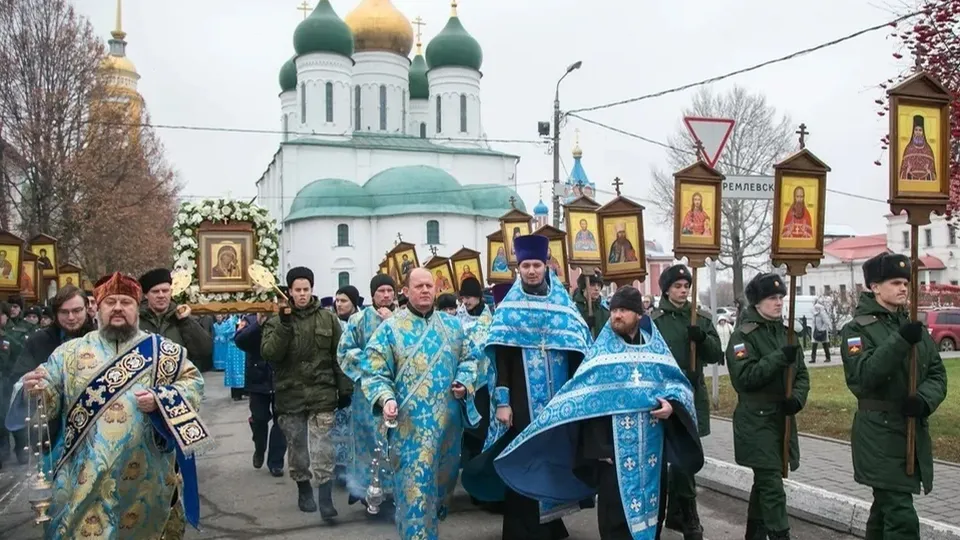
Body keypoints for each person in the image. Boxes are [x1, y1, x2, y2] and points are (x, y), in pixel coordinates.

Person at [8, 272, 210, 538]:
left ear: (137, 308)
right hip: (84, 478)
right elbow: (47, 396)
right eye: (110, 302)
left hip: (147, 477)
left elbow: (193, 384)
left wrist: (162, 400)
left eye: (125, 302)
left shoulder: (165, 351)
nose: (117, 308)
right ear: (98, 308)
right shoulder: (68, 354)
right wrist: (31, 388)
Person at [494, 286, 704, 540]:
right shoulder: (601, 355)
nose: (616, 315)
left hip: (651, 451)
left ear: (639, 315)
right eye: (614, 309)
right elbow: (586, 401)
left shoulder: (656, 351)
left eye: (624, 310)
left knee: (653, 512)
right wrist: (601, 450)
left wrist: (671, 407)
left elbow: (677, 388)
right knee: (614, 518)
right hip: (613, 453)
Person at [483, 234, 593, 539]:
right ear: (519, 268)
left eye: (537, 265)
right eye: (526, 266)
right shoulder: (509, 308)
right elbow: (500, 358)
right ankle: (521, 530)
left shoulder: (564, 306)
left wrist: (579, 397)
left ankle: (551, 523)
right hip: (521, 402)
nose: (532, 271)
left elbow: (580, 351)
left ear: (546, 266)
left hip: (558, 400)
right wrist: (502, 402)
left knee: (554, 458)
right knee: (526, 460)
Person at [360, 267, 480, 539]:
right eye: (419, 286)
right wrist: (386, 398)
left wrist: (463, 381)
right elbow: (374, 370)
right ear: (405, 292)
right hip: (408, 429)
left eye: (429, 285)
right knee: (413, 495)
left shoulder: (453, 327)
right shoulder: (390, 329)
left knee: (438, 493)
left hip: (447, 429)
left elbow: (471, 359)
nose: (425, 290)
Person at [840, 252, 948, 539]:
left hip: (911, 428)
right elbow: (864, 377)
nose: (903, 288)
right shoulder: (856, 330)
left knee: (885, 511)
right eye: (895, 282)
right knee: (901, 517)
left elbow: (937, 373)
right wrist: (901, 341)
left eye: (906, 283)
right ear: (875, 287)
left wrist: (924, 399)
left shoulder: (912, 326)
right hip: (878, 433)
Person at [261, 266, 352, 520]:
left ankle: (325, 498)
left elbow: (339, 356)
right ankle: (303, 488)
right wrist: (285, 325)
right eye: (297, 290)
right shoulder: (277, 321)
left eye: (306, 289)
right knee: (298, 447)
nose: (302, 294)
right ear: (289, 292)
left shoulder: (328, 319)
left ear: (312, 289)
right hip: (290, 396)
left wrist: (344, 388)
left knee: (323, 447)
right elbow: (270, 354)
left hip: (322, 393)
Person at [726, 272, 810, 540]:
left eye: (781, 298)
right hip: (755, 420)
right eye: (772, 298)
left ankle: (755, 534)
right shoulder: (743, 336)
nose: (778, 303)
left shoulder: (787, 334)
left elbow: (802, 375)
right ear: (757, 303)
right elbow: (744, 378)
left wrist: (796, 398)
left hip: (782, 417)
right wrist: (777, 358)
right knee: (771, 484)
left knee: (765, 484)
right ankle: (779, 534)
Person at [650, 264, 723, 539]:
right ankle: (664, 516)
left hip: (693, 395)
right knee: (665, 459)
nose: (683, 291)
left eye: (686, 286)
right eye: (678, 286)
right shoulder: (656, 320)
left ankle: (686, 516)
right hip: (663, 397)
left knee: (685, 457)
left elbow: (716, 354)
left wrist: (701, 338)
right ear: (667, 289)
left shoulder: (700, 318)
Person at [337, 274, 398, 509]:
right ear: (373, 294)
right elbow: (345, 351)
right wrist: (372, 366)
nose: (385, 295)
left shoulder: (402, 318)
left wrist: (393, 322)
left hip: (397, 391)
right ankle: (366, 491)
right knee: (369, 441)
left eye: (389, 291)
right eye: (381, 291)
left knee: (393, 441)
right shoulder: (358, 320)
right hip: (367, 394)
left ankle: (394, 493)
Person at [236, 311, 286, 477]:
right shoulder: (249, 319)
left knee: (282, 420)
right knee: (259, 419)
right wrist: (257, 324)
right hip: (258, 378)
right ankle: (259, 449)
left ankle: (276, 462)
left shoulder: (284, 317)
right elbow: (240, 341)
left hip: (281, 377)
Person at [138, 268, 213, 371]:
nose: (161, 295)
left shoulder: (183, 318)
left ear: (171, 292)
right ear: (146, 295)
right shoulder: (136, 321)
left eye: (165, 291)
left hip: (178, 382)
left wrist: (186, 321)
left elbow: (205, 350)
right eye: (155, 292)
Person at [331, 284, 360, 486]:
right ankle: (340, 470)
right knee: (339, 429)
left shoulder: (363, 320)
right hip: (338, 384)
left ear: (354, 303)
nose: (339, 304)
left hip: (360, 382)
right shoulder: (332, 322)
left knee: (358, 430)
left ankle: (358, 470)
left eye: (343, 301)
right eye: (337, 300)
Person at [899, 114, 937, 181]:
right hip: (910, 185)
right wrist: (907, 170)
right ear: (913, 131)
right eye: (916, 130)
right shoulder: (908, 149)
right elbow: (902, 172)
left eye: (920, 130)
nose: (918, 132)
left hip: (926, 185)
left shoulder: (928, 149)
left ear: (923, 132)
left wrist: (929, 172)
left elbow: (933, 174)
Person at [573, 271, 608, 338]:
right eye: (592, 285)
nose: (596, 288)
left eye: (599, 285)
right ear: (583, 288)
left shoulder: (605, 311)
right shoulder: (574, 309)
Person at [223, 315, 245, 400]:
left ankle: (245, 391)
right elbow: (225, 333)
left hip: (243, 348)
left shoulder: (245, 319)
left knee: (244, 369)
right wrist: (236, 329)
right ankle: (236, 394)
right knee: (234, 370)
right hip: (233, 348)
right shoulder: (230, 320)